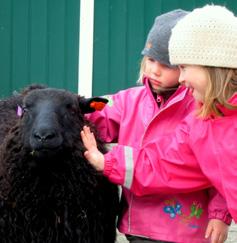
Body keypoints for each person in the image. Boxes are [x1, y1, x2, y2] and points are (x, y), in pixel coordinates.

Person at [83, 9, 231, 243]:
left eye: (167, 64)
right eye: (151, 59)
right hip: (138, 226)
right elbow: (95, 113)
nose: (154, 70)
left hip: (184, 229)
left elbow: (220, 167)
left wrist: (219, 213)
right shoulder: (128, 101)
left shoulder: (201, 108)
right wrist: (60, 108)